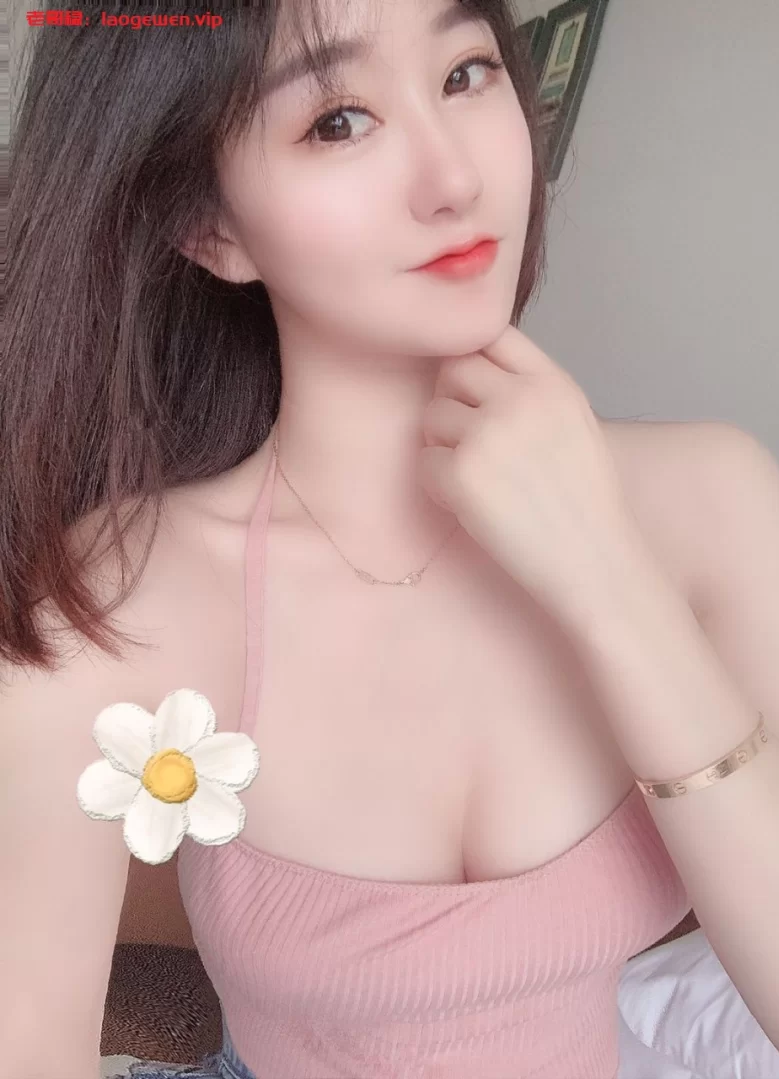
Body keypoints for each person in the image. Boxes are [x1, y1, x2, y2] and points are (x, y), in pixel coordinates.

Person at [4, 0, 701, 1076]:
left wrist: (611, 581)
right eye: (337, 121)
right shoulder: (111, 608)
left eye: (465, 73)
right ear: (210, 226)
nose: (455, 178)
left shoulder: (707, 500)